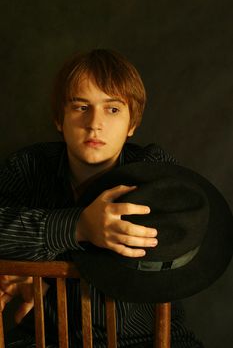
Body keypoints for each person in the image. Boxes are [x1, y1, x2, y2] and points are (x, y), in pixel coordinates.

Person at [0, 49, 204, 347]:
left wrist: (33, 264)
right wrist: (78, 226)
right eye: (81, 107)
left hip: (148, 340)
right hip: (45, 340)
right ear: (60, 119)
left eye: (112, 109)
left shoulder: (156, 171)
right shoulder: (27, 168)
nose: (94, 123)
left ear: (132, 124)